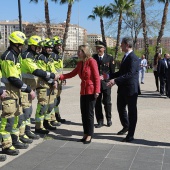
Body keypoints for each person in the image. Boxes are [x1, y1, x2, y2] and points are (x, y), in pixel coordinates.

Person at [0, 31, 36, 155]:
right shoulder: (8, 56)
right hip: (9, 94)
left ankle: (14, 140)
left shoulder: (16, 56)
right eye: (21, 45)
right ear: (15, 44)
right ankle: (6, 145)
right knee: (8, 121)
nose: (22, 47)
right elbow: (12, 78)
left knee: (16, 119)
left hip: (16, 94)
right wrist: (29, 89)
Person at [59, 44, 100, 144]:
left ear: (84, 52)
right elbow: (72, 73)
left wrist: (97, 91)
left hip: (91, 91)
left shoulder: (92, 61)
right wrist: (60, 76)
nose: (78, 53)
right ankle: (85, 133)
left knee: (89, 114)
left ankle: (90, 135)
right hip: (84, 91)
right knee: (84, 113)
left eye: (79, 51)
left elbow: (96, 77)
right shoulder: (80, 63)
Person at [107, 37, 139, 142]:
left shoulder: (133, 57)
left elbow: (130, 74)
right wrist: (108, 76)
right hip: (123, 89)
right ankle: (126, 126)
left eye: (121, 44)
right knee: (120, 108)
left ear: (126, 44)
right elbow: (121, 73)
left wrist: (115, 81)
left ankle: (131, 134)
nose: (120, 45)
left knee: (132, 112)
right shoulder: (126, 57)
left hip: (130, 89)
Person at [93, 40, 115, 128]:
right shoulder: (93, 57)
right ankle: (100, 120)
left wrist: (108, 79)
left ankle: (109, 119)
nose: (98, 49)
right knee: (97, 103)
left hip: (106, 84)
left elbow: (112, 72)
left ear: (104, 48)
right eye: (97, 48)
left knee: (107, 102)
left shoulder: (109, 57)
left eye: (99, 48)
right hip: (96, 84)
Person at [51, 36, 66, 123]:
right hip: (55, 80)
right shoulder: (52, 55)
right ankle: (52, 118)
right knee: (53, 100)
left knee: (57, 99)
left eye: (60, 45)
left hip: (59, 79)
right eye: (57, 45)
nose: (59, 47)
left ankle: (57, 116)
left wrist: (63, 77)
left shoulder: (58, 55)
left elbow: (60, 68)